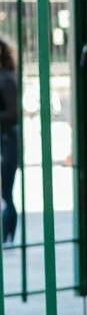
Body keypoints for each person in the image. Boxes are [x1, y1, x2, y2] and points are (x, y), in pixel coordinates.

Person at [0, 36, 19, 245]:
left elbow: (14, 114)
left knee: (6, 193)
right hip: (5, 140)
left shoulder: (7, 79)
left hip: (7, 141)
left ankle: (8, 237)